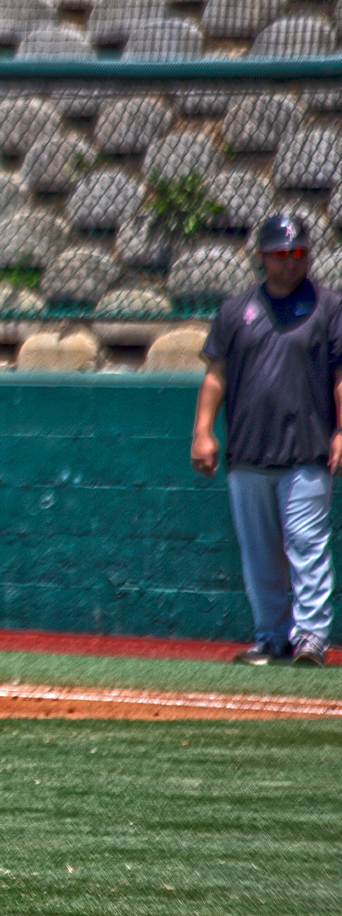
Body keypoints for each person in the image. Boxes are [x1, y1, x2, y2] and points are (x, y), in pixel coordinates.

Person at [192, 213, 342, 667]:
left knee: (307, 544)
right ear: (261, 257)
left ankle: (311, 637)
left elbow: (340, 375)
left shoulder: (328, 307)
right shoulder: (236, 311)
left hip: (307, 450)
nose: (290, 263)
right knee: (260, 555)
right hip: (248, 452)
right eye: (281, 254)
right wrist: (203, 431)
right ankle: (271, 636)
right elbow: (215, 375)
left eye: (298, 254)